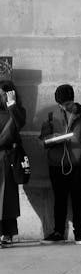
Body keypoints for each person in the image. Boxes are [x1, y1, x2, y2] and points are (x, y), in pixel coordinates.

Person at [38, 84, 81, 244]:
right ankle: (58, 232)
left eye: (67, 104)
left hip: (79, 165)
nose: (64, 107)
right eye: (61, 104)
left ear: (72, 100)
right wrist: (51, 140)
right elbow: (42, 139)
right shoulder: (51, 116)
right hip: (57, 164)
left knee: (78, 198)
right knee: (59, 199)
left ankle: (79, 233)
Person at [0, 81, 26, 247]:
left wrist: (12, 104)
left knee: (7, 197)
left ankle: (8, 232)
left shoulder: (17, 110)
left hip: (8, 158)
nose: (1, 96)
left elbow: (19, 123)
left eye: (4, 93)